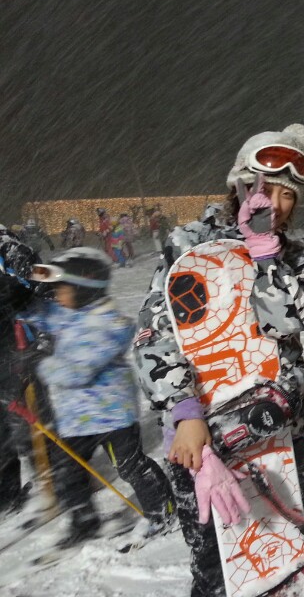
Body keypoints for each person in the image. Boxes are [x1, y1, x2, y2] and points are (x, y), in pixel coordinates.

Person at [133, 124, 304, 597]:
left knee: (282, 558)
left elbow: (288, 322)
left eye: (288, 195)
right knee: (218, 569)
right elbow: (155, 333)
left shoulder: (295, 255)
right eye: (264, 189)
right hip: (201, 436)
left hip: (276, 428)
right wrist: (184, 412)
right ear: (238, 184)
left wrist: (265, 255)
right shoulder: (188, 243)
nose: (275, 204)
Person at [25, 247, 175, 547]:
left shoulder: (108, 324)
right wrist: (17, 299)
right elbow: (41, 314)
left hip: (111, 414)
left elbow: (76, 372)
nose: (57, 296)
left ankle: (162, 510)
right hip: (75, 417)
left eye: (62, 289)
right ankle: (83, 519)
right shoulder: (68, 313)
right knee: (68, 469)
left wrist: (41, 363)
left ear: (84, 290)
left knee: (130, 466)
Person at [0, 226, 40, 514]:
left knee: (21, 416)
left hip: (17, 349)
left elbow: (38, 280)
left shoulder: (11, 248)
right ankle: (9, 491)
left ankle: (47, 473)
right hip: (11, 352)